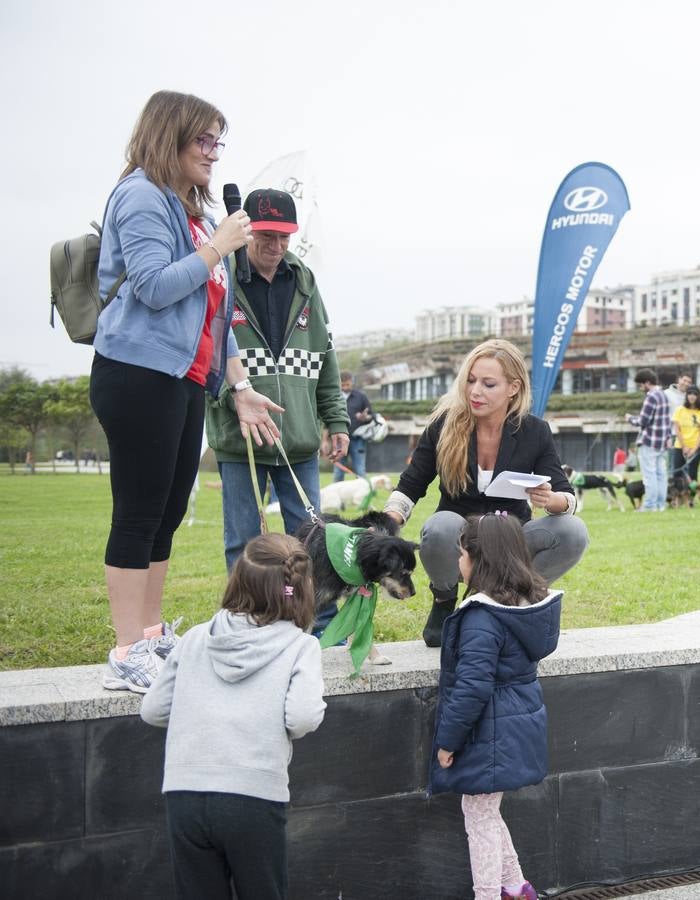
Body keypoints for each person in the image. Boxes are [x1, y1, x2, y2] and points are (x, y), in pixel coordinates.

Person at [91, 90, 282, 693]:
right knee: (140, 509)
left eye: (217, 143)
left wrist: (240, 385)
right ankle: (126, 649)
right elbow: (152, 287)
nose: (213, 154)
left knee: (168, 512)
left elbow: (213, 311)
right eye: (203, 141)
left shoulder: (191, 211)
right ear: (168, 135)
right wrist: (219, 246)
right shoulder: (142, 195)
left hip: (184, 379)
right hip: (138, 373)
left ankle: (149, 636)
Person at [140, 532, 326, 900]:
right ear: (300, 589)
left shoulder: (194, 638)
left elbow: (153, 709)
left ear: (237, 580)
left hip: (184, 793)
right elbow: (303, 717)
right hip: (254, 797)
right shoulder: (301, 646)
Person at [383, 339, 586, 647]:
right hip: (461, 539)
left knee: (573, 531)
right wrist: (386, 523)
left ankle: (512, 602)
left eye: (489, 384)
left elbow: (565, 496)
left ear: (513, 388)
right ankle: (444, 600)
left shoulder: (535, 431)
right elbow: (411, 484)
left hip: (510, 538)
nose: (475, 391)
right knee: (439, 527)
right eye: (471, 381)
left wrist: (551, 499)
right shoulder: (443, 425)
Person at [207, 188, 349, 572]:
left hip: (299, 438)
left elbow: (325, 355)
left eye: (284, 236)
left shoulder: (305, 281)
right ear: (247, 231)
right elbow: (205, 348)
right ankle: (245, 623)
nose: (276, 245)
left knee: (309, 539)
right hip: (241, 441)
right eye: (267, 235)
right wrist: (228, 398)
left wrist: (336, 420)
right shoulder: (222, 279)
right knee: (242, 541)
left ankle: (316, 626)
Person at [430, 513, 559, 900]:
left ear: (479, 560)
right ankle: (517, 888)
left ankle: (488, 895)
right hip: (516, 726)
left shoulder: (483, 618)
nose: (458, 562)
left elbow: (471, 688)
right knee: (486, 811)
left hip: (489, 734)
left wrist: (448, 742)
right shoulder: (526, 605)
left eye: (462, 554)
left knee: (480, 818)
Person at [628, 368, 672, 512]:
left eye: (641, 385)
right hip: (662, 442)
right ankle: (660, 505)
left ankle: (649, 505)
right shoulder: (664, 395)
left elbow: (643, 421)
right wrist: (668, 437)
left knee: (649, 475)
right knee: (661, 474)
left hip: (649, 441)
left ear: (647, 382)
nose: (641, 388)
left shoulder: (651, 396)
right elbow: (667, 421)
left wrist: (629, 418)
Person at [334, 372, 373, 481]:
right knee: (338, 472)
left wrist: (365, 417)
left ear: (352, 382)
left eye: (348, 384)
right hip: (339, 439)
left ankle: (364, 495)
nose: (345, 387)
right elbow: (329, 420)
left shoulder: (361, 397)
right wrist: (324, 440)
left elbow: (371, 415)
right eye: (343, 385)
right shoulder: (334, 397)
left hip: (358, 439)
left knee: (360, 470)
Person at [672, 387, 700, 486]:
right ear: (686, 395)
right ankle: (678, 498)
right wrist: (684, 446)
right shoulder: (679, 410)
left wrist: (694, 449)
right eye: (689, 394)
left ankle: (691, 497)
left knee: (693, 473)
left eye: (694, 394)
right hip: (680, 446)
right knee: (677, 473)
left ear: (698, 396)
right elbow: (677, 430)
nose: (692, 396)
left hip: (696, 447)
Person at [664, 373, 692, 473]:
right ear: (679, 379)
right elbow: (664, 415)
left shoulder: (689, 396)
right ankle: (671, 487)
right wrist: (667, 436)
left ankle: (684, 488)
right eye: (684, 380)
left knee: (686, 464)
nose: (686, 383)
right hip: (672, 434)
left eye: (689, 382)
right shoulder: (666, 393)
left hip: (687, 435)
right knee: (672, 464)